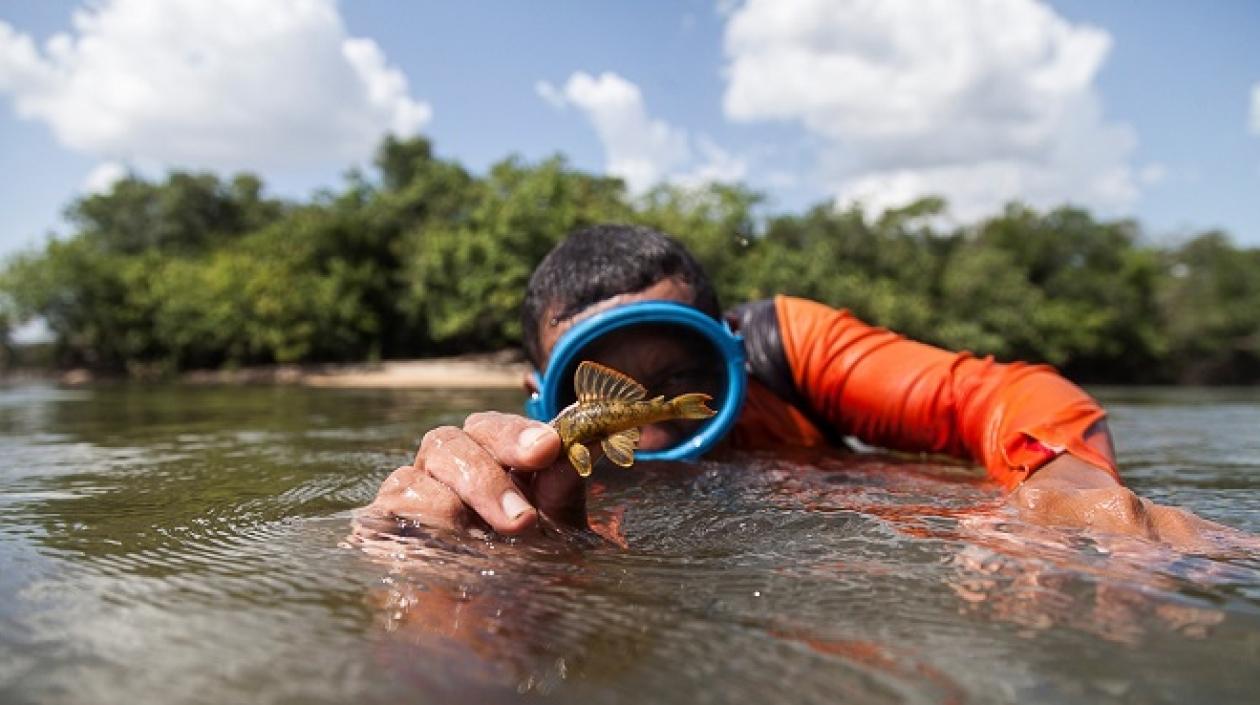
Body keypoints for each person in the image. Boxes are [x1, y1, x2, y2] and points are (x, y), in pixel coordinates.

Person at [364, 224, 1254, 552]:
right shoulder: (540, 454)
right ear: (541, 392)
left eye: (685, 376)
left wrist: (1066, 482)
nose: (664, 415)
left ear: (732, 349)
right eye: (612, 381)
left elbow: (1006, 395)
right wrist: (458, 543)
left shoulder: (794, 346)